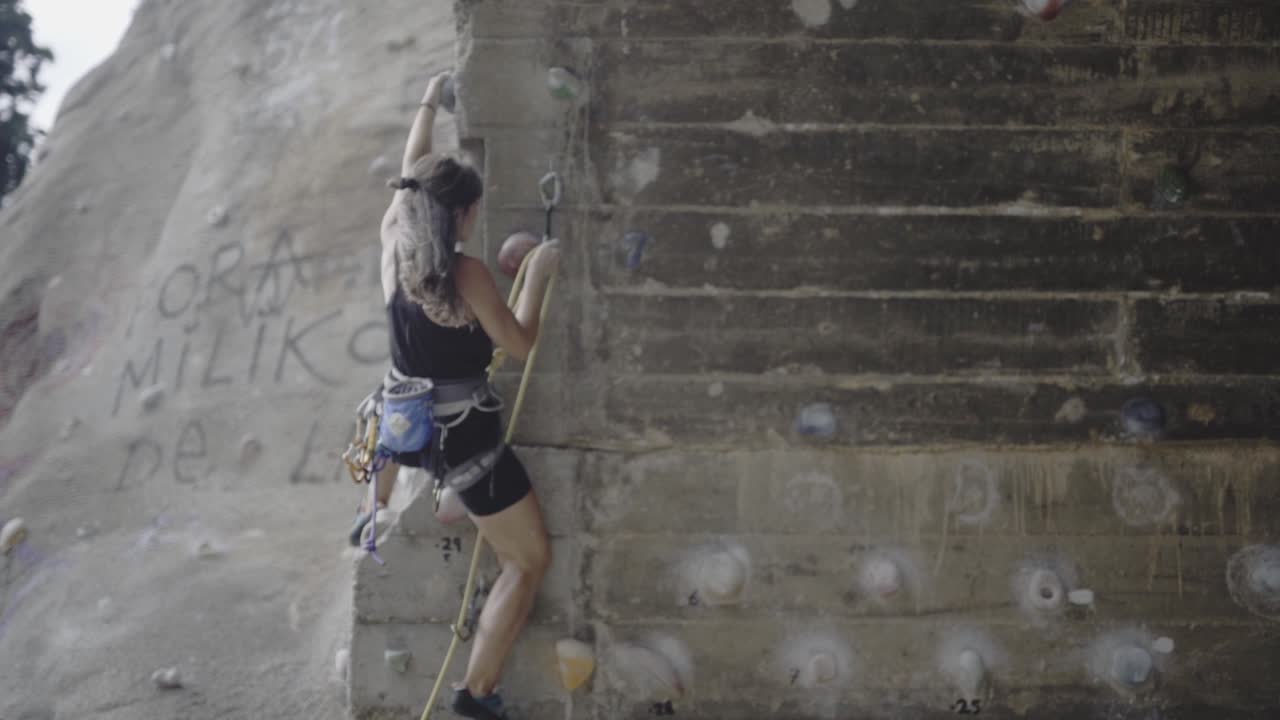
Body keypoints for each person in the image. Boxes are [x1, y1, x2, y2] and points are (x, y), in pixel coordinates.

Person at [362, 71, 560, 720]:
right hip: (465, 441)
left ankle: (383, 503)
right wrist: (538, 271)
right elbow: (521, 342)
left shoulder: (395, 244)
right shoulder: (466, 273)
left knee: (450, 479)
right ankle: (475, 696)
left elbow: (408, 172)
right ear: (463, 214)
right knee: (526, 562)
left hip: (408, 423)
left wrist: (429, 95)